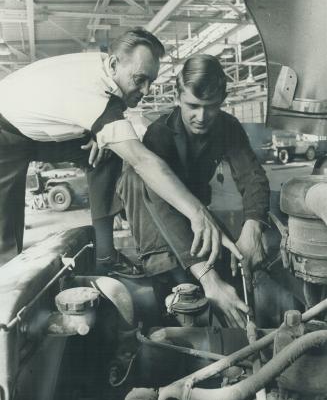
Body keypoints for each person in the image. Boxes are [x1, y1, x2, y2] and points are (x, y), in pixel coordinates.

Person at [0, 28, 240, 268]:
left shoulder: (105, 69)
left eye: (151, 81)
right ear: (114, 64)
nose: (146, 90)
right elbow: (143, 161)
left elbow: (79, 104)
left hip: (37, 128)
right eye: (139, 79)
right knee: (5, 241)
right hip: (5, 135)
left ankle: (104, 255)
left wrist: (98, 133)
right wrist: (198, 213)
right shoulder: (93, 93)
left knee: (106, 153)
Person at [116, 54, 270, 327]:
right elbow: (160, 206)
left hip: (198, 212)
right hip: (154, 216)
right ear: (177, 97)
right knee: (177, 289)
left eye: (211, 107)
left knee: (233, 262)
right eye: (193, 106)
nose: (202, 117)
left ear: (221, 101)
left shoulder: (227, 126)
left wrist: (253, 226)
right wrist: (207, 277)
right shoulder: (159, 133)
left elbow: (252, 176)